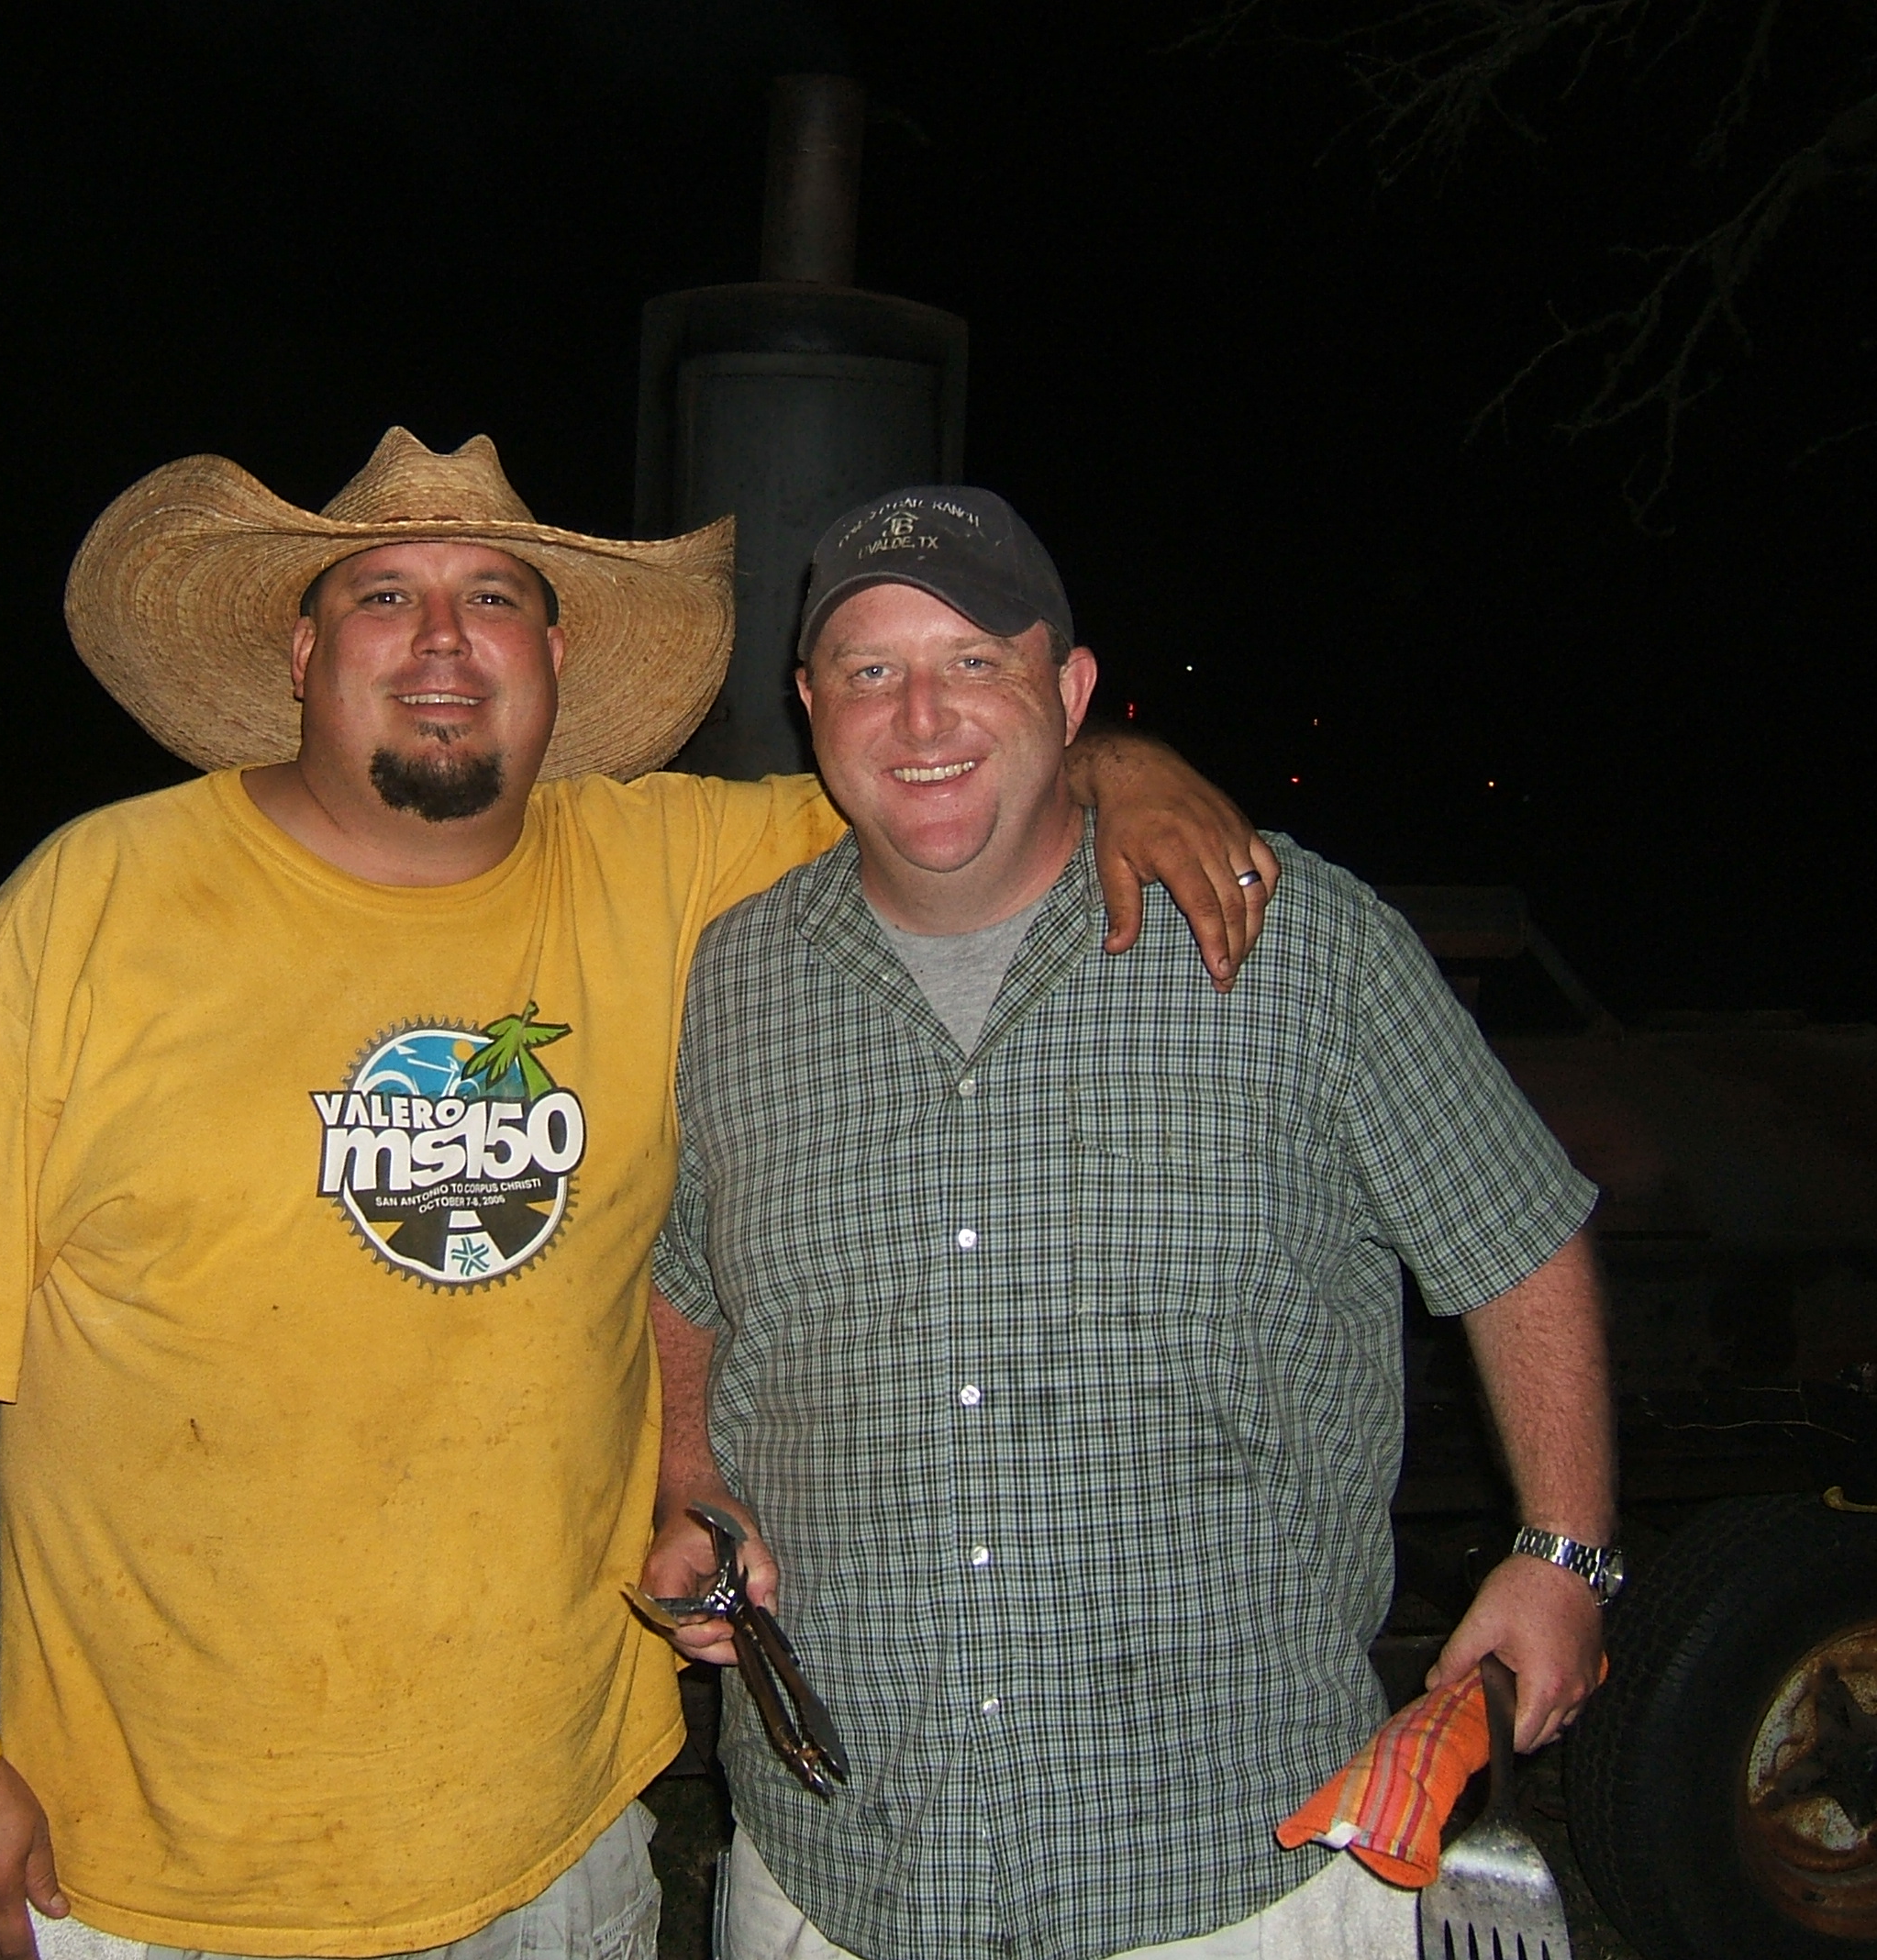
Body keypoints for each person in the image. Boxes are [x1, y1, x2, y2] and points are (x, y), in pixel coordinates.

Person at [0, 429, 1279, 1960]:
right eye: (387, 596)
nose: (445, 641)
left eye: (495, 599)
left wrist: (1121, 761)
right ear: (303, 655)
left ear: (555, 660)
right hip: (151, 1867)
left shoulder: (666, 867)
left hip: (556, 1843)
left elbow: (939, 776)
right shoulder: (89, 908)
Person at [646, 485, 1617, 1960]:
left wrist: (1567, 1553)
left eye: (976, 661)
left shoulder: (1300, 942)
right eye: (870, 669)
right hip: (837, 1872)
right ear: (809, 704)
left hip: (1240, 1865)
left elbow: (1516, 1234)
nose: (921, 715)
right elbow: (690, 1281)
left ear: (1071, 691)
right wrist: (692, 1480)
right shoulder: (737, 980)